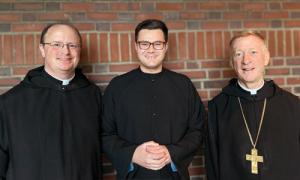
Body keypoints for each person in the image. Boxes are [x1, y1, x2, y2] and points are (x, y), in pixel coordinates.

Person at [102, 19, 205, 179]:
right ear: (136, 46)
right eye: (144, 44)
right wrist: (133, 154)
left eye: (157, 43)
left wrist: (171, 153)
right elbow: (105, 134)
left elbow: (197, 130)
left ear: (166, 46)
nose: (151, 50)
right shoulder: (117, 86)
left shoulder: (183, 85)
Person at [0, 23, 102, 180]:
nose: (65, 51)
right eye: (56, 44)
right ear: (42, 49)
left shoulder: (93, 96)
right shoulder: (10, 103)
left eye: (72, 45)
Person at [206, 30, 300, 180]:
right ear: (232, 62)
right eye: (238, 54)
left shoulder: (293, 106)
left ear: (266, 58)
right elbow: (212, 164)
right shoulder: (218, 107)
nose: (246, 60)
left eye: (253, 52)